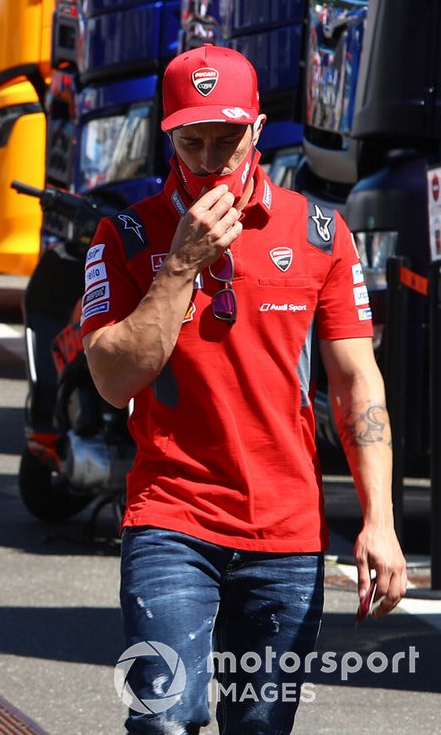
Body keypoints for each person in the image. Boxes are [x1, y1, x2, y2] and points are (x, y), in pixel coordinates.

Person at [80, 44, 407, 733]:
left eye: (225, 141)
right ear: (167, 132)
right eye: (189, 141)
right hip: (172, 518)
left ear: (257, 129)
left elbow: (355, 383)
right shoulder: (126, 234)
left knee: (261, 726)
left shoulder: (320, 233)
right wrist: (179, 267)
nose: (206, 161)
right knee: (163, 718)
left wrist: (379, 516)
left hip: (286, 530)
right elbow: (112, 380)